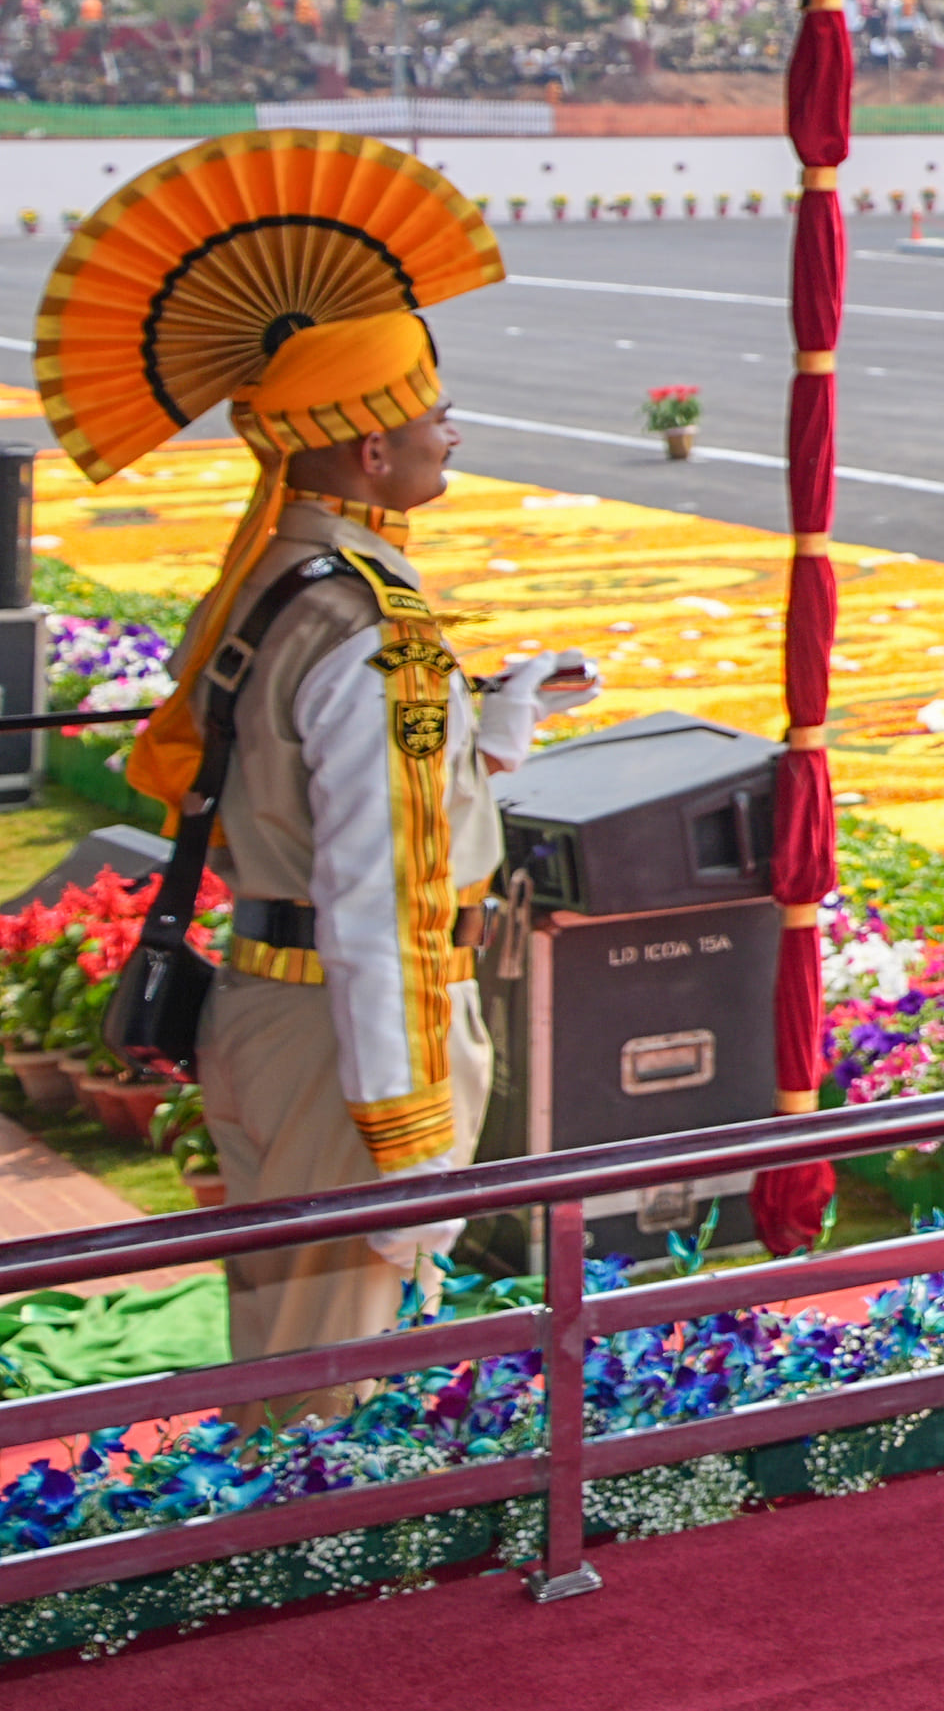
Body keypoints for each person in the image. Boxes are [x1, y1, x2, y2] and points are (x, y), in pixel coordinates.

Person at [42, 137, 598, 1384]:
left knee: (287, 1357)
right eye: (429, 409)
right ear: (367, 453)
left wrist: (497, 715)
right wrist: (405, 1143)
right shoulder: (368, 629)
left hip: (270, 1010)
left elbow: (312, 795)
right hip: (348, 1044)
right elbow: (382, 900)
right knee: (330, 1392)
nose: (449, 429)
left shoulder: (280, 588)